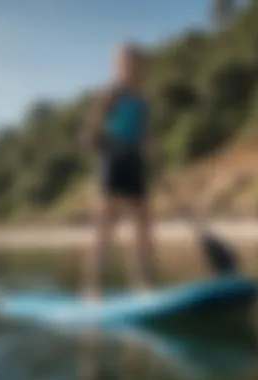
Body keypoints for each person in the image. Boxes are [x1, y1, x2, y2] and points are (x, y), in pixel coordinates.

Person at [81, 42, 157, 300]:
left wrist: (153, 155)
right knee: (105, 227)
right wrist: (97, 137)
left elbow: (146, 133)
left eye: (134, 61)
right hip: (113, 160)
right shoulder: (112, 92)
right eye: (125, 62)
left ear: (140, 65)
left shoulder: (142, 98)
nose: (130, 66)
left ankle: (142, 286)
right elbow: (92, 129)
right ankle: (92, 291)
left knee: (143, 226)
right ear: (117, 66)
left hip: (135, 162)